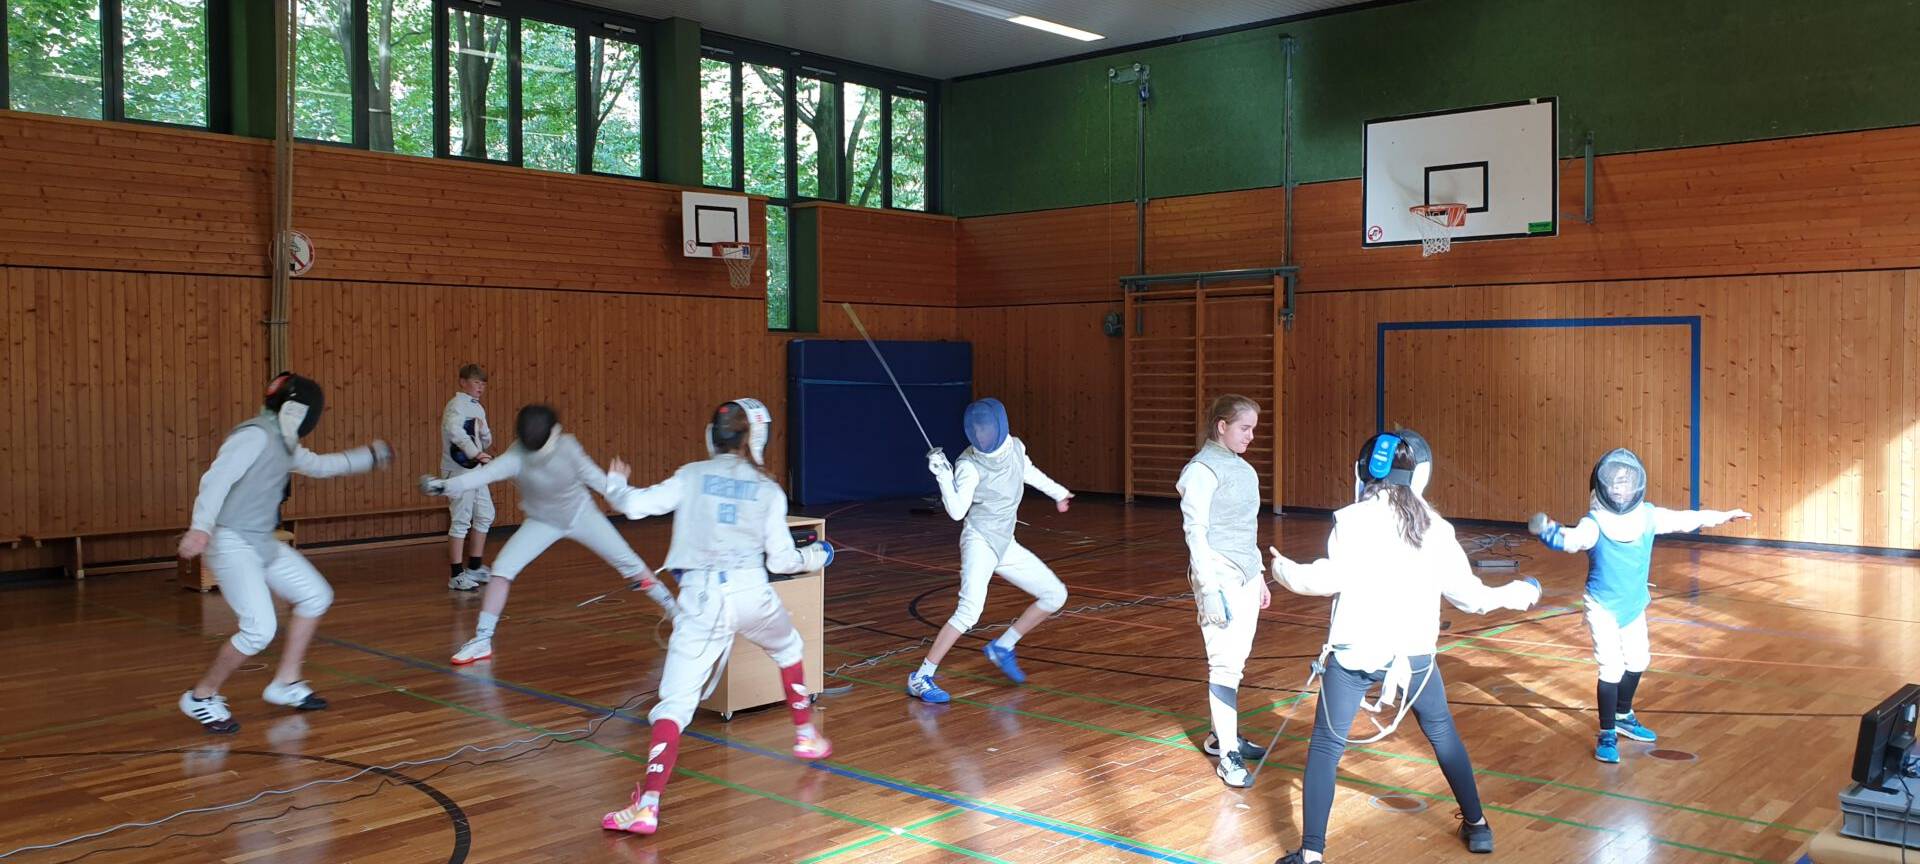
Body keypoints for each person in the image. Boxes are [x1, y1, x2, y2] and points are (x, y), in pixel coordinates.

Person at [1269, 431, 1542, 861]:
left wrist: (1283, 570)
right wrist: (1520, 592)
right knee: (1442, 733)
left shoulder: (1353, 520)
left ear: (1363, 472)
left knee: (1325, 746)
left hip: (1356, 654)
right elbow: (1472, 599)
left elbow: (1324, 580)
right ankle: (1478, 825)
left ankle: (1312, 854)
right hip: (1413, 658)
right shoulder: (1437, 527)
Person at [599, 398, 836, 836]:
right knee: (789, 648)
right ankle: (805, 734)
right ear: (753, 440)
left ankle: (648, 804)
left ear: (713, 437)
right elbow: (783, 562)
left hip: (702, 598)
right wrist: (815, 554)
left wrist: (615, 485)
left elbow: (633, 507)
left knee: (675, 703)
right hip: (751, 592)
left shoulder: (691, 475)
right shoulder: (768, 490)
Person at [177, 372, 391, 733]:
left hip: (259, 540)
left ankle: (285, 683)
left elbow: (321, 466)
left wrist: (367, 457)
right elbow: (217, 478)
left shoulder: (284, 442)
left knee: (315, 595)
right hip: (230, 541)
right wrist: (200, 527)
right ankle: (201, 696)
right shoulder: (254, 435)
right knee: (260, 630)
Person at [1530, 447, 1750, 762]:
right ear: (1603, 487)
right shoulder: (1594, 523)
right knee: (1612, 666)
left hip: (1633, 605)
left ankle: (1622, 715)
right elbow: (1570, 540)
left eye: (1626, 481)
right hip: (1602, 606)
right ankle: (1606, 734)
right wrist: (1549, 532)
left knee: (1638, 661)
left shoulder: (1648, 516)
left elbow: (1687, 520)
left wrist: (1724, 516)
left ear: (1636, 485)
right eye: (1615, 482)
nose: (1621, 488)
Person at [421, 404, 675, 665]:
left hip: (582, 516)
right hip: (541, 522)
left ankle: (677, 615)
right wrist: (444, 486)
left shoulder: (568, 448)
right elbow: (482, 476)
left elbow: (599, 482)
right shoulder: (516, 456)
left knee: (631, 565)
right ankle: (482, 640)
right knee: (501, 570)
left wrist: (620, 488)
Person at [907, 398, 1073, 703]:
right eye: (977, 430)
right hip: (980, 541)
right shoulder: (969, 465)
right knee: (969, 611)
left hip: (1004, 542)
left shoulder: (1015, 448)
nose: (982, 435)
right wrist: (943, 476)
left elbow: (1029, 473)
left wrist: (1059, 493)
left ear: (998, 426)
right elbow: (957, 511)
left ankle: (1003, 646)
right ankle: (921, 677)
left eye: (986, 428)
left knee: (1056, 595)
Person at [1177, 394, 1271, 787]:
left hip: (1245, 575)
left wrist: (1260, 574)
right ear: (1222, 426)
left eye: (1252, 429)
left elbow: (1247, 529)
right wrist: (1209, 589)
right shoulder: (1201, 470)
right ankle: (1228, 756)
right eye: (1244, 428)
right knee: (1224, 664)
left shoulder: (1242, 468)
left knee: (1238, 660)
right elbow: (1195, 534)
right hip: (1217, 576)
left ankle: (1220, 737)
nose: (1251, 436)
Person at [441, 363, 495, 590]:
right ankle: (456, 575)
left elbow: (485, 440)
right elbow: (455, 432)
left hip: (476, 472)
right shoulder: (456, 406)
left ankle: (474, 566)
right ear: (463, 382)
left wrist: (483, 434)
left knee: (485, 514)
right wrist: (475, 452)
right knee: (461, 520)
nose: (480, 387)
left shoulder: (477, 408)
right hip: (459, 472)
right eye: (476, 382)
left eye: (483, 383)